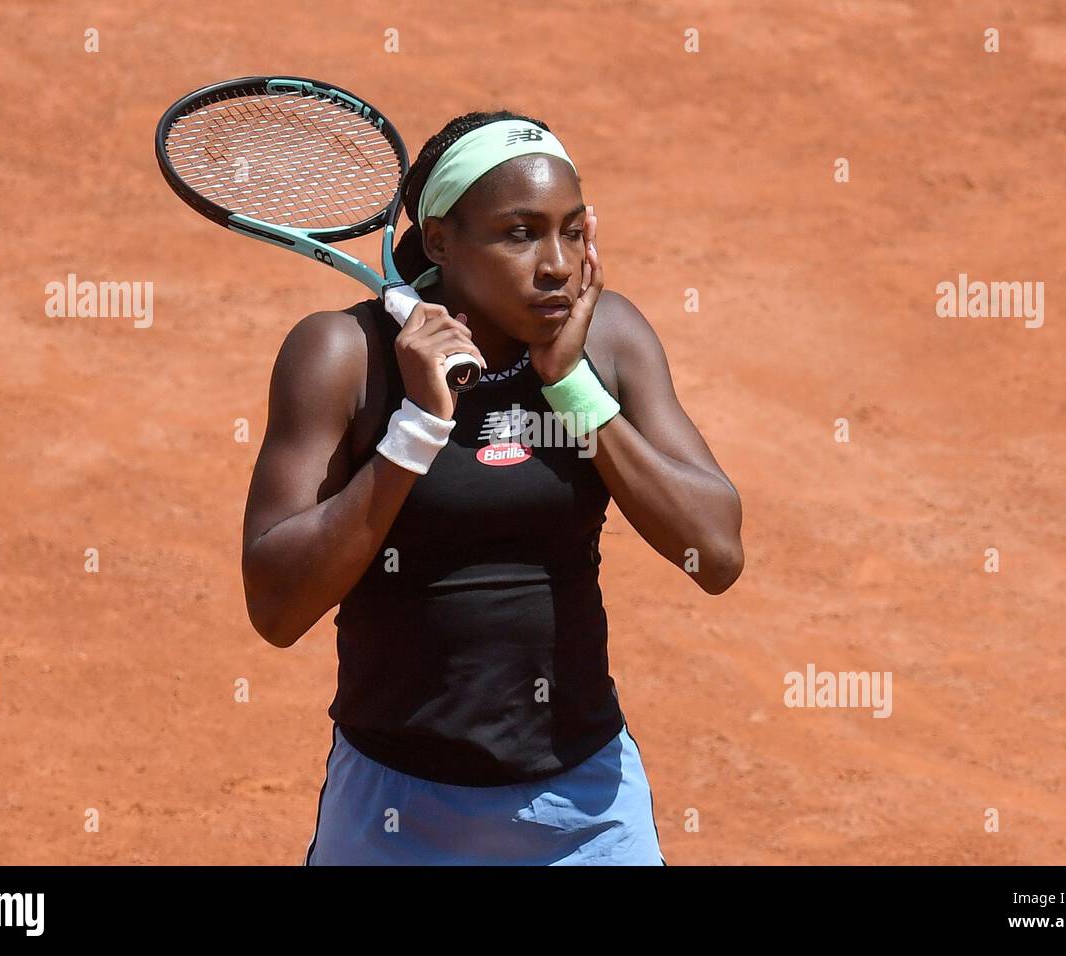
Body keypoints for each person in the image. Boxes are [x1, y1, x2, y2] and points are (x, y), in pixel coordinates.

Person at [240, 109, 744, 865]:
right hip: (394, 811)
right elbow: (278, 608)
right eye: (520, 233)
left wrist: (571, 388)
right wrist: (415, 430)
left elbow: (717, 551)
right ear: (440, 240)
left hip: (586, 807)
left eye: (574, 231)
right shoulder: (345, 355)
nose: (557, 265)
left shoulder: (607, 340)